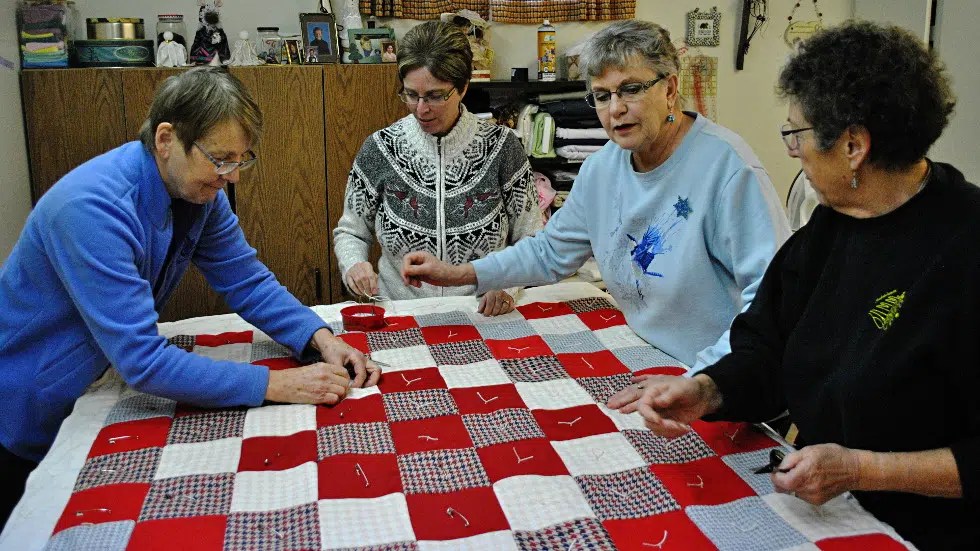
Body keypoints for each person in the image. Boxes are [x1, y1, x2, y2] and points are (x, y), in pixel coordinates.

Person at [611, 22, 977, 549]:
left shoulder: (965, 249)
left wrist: (863, 469)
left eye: (798, 134)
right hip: (828, 505)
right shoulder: (834, 223)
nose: (792, 151)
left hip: (925, 531)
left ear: (853, 144)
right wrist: (707, 390)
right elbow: (767, 346)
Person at [0, 66, 380, 528]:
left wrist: (320, 339)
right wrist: (276, 385)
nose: (232, 176)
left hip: (95, 383)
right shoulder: (90, 209)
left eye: (242, 159)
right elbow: (143, 360)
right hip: (30, 407)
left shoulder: (199, 191)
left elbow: (245, 279)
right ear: (166, 139)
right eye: (220, 159)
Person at [401, 20, 788, 363]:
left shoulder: (728, 168)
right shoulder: (602, 168)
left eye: (630, 89)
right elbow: (550, 252)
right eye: (602, 95)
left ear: (670, 89)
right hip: (648, 357)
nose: (614, 109)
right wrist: (457, 274)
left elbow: (775, 297)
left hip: (720, 375)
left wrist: (705, 383)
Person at [334, 20, 541, 316]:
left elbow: (530, 235)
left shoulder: (503, 147)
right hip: (401, 311)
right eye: (411, 94)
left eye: (434, 96)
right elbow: (351, 231)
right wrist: (354, 264)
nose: (421, 108)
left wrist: (507, 284)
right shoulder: (380, 148)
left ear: (463, 87)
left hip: (483, 312)